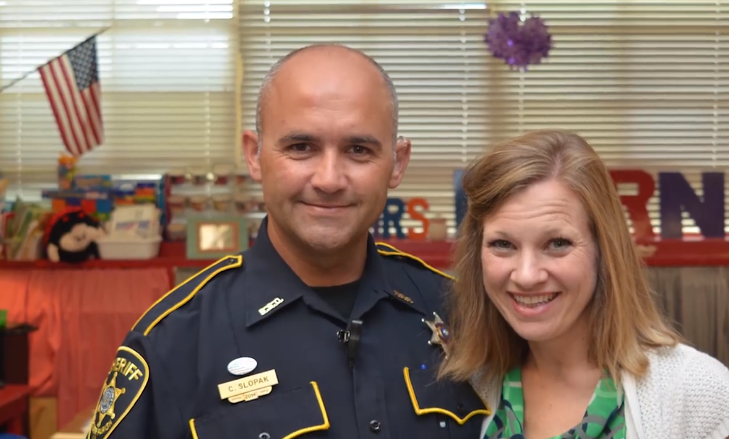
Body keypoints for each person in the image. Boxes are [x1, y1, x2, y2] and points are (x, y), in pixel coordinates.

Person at [86, 44, 489, 439]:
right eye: (301, 147)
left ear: (397, 163)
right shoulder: (174, 342)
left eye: (358, 150)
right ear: (254, 155)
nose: (329, 179)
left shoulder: (461, 314)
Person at [437, 130, 729, 439]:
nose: (526, 275)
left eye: (557, 243)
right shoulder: (464, 387)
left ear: (604, 249)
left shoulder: (694, 390)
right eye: (503, 244)